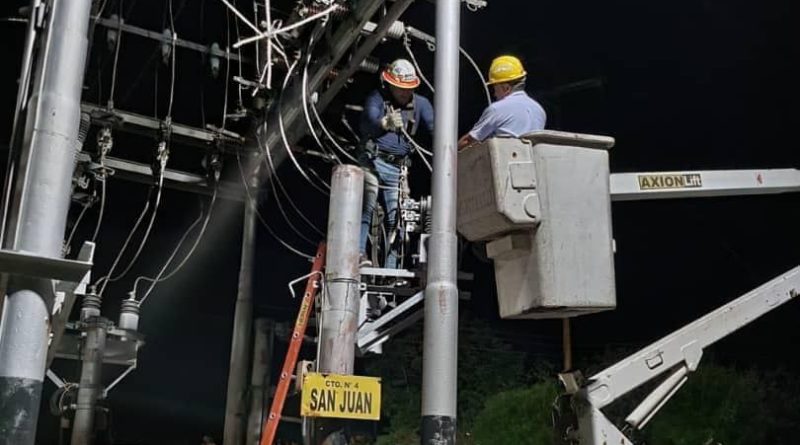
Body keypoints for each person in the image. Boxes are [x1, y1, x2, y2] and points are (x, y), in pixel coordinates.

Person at [358, 58, 434, 268]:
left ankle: (393, 269)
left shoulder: (422, 105)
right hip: (373, 161)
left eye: (407, 89)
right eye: (399, 88)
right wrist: (384, 123)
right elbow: (367, 124)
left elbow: (436, 129)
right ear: (389, 84)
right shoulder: (377, 99)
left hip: (397, 168)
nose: (403, 93)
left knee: (398, 220)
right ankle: (359, 254)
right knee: (367, 206)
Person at [457, 55, 546, 150]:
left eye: (495, 88)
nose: (494, 94)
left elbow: (468, 141)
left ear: (506, 88)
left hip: (504, 162)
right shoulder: (539, 110)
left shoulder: (497, 109)